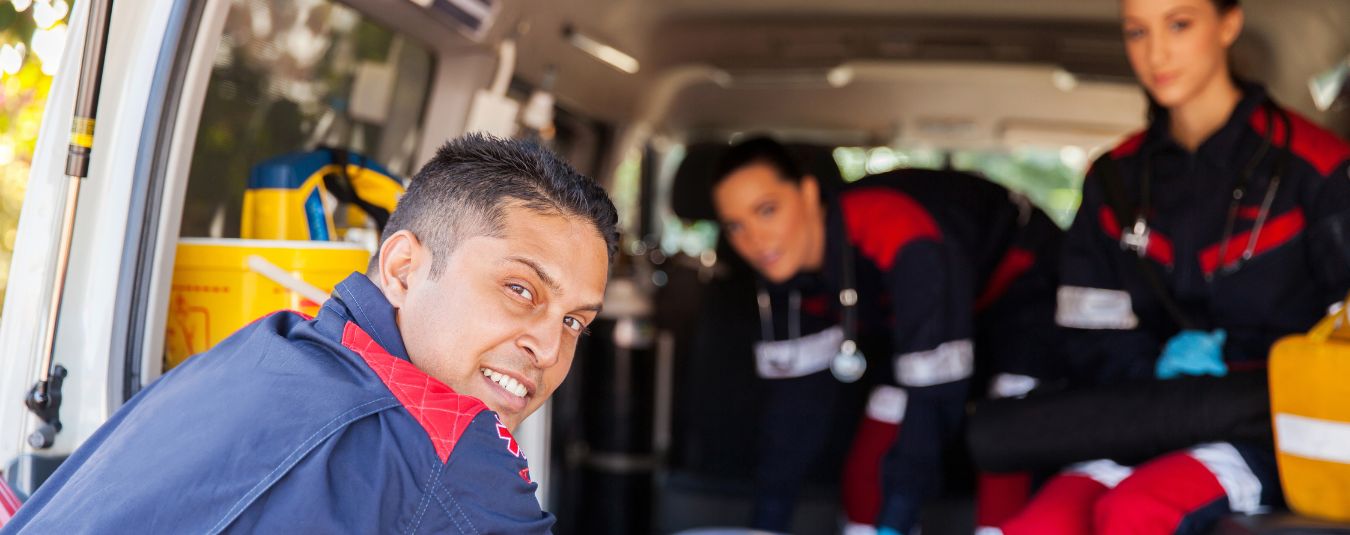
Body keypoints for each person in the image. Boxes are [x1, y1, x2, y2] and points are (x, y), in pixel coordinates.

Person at [3, 134, 619, 534]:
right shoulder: (452, 451)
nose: (549, 346)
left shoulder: (260, 348)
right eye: (520, 290)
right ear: (405, 268)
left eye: (574, 321)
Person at [996, 0, 1350, 533]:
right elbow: (1087, 329)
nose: (1155, 52)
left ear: (1229, 25)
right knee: (1038, 525)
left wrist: (1238, 362)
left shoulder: (1317, 168)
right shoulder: (1112, 180)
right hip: (1144, 413)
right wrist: (1155, 368)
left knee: (1135, 513)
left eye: (1179, 24)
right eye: (1137, 32)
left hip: (1267, 429)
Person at [710, 137, 1064, 535]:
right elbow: (797, 412)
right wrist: (765, 526)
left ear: (808, 193)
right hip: (927, 310)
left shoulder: (897, 233)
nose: (753, 239)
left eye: (767, 210)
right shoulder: (782, 274)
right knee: (875, 447)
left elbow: (933, 399)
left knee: (1008, 425)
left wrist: (896, 519)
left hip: (1024, 288)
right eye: (735, 225)